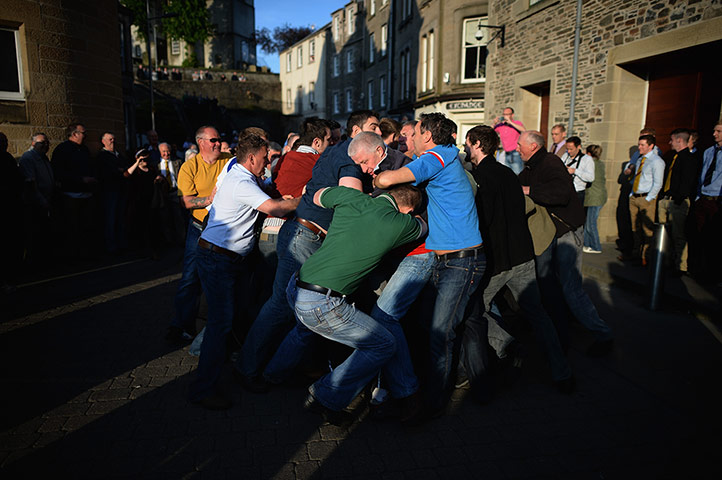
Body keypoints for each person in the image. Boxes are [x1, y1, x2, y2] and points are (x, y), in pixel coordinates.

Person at [236, 111, 382, 391]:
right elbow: (353, 205)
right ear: (358, 134)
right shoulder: (350, 160)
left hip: (303, 234)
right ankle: (250, 368)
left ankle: (271, 367)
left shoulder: (333, 153)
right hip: (306, 236)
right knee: (285, 307)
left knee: (296, 308)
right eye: (373, 128)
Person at [259, 183, 426, 426]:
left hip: (297, 286)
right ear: (408, 210)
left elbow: (316, 195)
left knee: (304, 330)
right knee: (383, 344)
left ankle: (272, 375)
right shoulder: (401, 224)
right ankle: (324, 395)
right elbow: (423, 227)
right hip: (321, 302)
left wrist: (362, 198)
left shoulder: (352, 198)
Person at [374, 112, 484, 417]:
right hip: (457, 257)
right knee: (465, 324)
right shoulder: (448, 155)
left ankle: (434, 404)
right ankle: (479, 382)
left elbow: (388, 179)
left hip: (461, 261)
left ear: (428, 136)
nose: (410, 137)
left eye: (415, 132)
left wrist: (376, 174)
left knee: (440, 332)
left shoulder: (436, 157)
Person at [189, 134, 300, 410]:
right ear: (251, 158)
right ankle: (203, 389)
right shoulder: (240, 181)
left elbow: (264, 189)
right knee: (220, 323)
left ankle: (228, 365)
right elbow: (272, 207)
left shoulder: (240, 174)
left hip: (223, 257)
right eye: (264, 159)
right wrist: (301, 201)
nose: (267, 164)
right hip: (218, 259)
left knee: (234, 315)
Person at [463, 125, 573, 401]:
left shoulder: (480, 179)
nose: (465, 149)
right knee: (538, 313)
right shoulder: (508, 174)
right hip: (523, 256)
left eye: (467, 144)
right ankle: (562, 372)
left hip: (499, 261)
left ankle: (507, 345)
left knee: (472, 311)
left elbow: (483, 222)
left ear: (476, 144)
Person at [516, 130, 614, 356]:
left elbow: (560, 193)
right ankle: (565, 323)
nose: (517, 148)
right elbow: (516, 185)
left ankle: (602, 333)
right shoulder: (531, 167)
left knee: (571, 288)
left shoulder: (550, 162)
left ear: (533, 146)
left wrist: (529, 191)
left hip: (568, 232)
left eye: (520, 145)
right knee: (552, 283)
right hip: (553, 233)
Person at [165, 126, 232, 344]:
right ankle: (181, 324)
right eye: (213, 140)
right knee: (190, 278)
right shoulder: (189, 166)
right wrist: (208, 199)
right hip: (199, 229)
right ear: (201, 142)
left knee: (225, 278)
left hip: (224, 230)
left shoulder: (228, 160)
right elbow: (185, 201)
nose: (217, 144)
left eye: (219, 139)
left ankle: (222, 329)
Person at [51, 123, 98, 258]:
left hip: (86, 194)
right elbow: (59, 172)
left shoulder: (84, 149)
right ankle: (72, 256)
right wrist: (80, 179)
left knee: (87, 226)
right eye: (83, 133)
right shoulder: (62, 150)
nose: (86, 135)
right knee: (72, 227)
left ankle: (86, 254)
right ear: (74, 134)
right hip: (71, 195)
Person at [657, 129, 697, 276]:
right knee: (663, 234)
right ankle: (664, 261)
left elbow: (687, 182)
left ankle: (681, 265)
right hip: (666, 200)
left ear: (679, 140)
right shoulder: (673, 158)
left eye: (672, 140)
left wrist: (679, 199)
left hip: (678, 201)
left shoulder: (689, 159)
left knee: (678, 234)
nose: (670, 143)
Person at [624, 134, 664, 265]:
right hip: (635, 196)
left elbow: (658, 183)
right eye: (639, 144)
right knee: (635, 228)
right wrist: (632, 194)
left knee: (647, 229)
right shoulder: (640, 159)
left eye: (642, 145)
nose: (639, 147)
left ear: (651, 146)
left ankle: (645, 256)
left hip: (646, 198)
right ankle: (636, 254)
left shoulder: (657, 161)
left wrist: (649, 198)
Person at [691, 122, 722, 284]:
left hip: (717, 200)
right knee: (701, 236)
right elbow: (702, 173)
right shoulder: (709, 152)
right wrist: (698, 196)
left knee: (715, 240)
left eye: (718, 131)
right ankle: (701, 271)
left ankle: (714, 274)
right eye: (714, 130)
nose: (714, 134)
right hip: (703, 198)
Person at [19, 133, 54, 265]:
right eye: (41, 143)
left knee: (44, 232)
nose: (45, 145)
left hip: (46, 199)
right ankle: (33, 262)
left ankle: (43, 259)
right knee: (34, 233)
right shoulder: (28, 158)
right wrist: (41, 200)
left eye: (46, 143)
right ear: (33, 143)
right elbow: (30, 183)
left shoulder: (43, 158)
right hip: (35, 202)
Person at [97, 132, 128, 254]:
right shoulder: (102, 156)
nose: (113, 141)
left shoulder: (119, 155)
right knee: (110, 219)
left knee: (120, 218)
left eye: (114, 139)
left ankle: (121, 243)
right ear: (103, 141)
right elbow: (110, 172)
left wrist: (120, 170)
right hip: (110, 191)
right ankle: (111, 246)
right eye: (110, 139)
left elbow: (125, 168)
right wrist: (120, 171)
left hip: (121, 190)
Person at [583, 145, 607, 254]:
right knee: (588, 222)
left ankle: (596, 246)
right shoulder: (599, 163)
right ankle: (587, 244)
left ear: (589, 154)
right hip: (597, 196)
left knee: (591, 224)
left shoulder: (592, 164)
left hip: (594, 197)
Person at [560, 136, 595, 205]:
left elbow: (591, 178)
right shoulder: (565, 156)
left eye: (571, 149)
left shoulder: (587, 159)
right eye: (567, 149)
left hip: (577, 194)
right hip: (564, 192)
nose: (569, 151)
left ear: (578, 147)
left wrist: (575, 171)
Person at [493, 107, 525, 174]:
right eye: (504, 114)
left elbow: (524, 130)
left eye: (507, 114)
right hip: (506, 153)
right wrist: (494, 123)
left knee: (518, 173)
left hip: (515, 152)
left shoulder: (517, 123)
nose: (505, 116)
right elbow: (490, 131)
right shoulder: (501, 125)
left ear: (512, 115)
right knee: (508, 174)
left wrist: (510, 122)